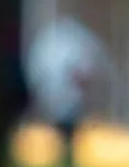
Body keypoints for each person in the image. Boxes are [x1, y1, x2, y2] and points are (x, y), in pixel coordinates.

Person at [25, 15, 106, 155]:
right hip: (62, 102)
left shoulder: (73, 48)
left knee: (70, 127)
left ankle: (67, 151)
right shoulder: (58, 53)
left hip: (69, 104)